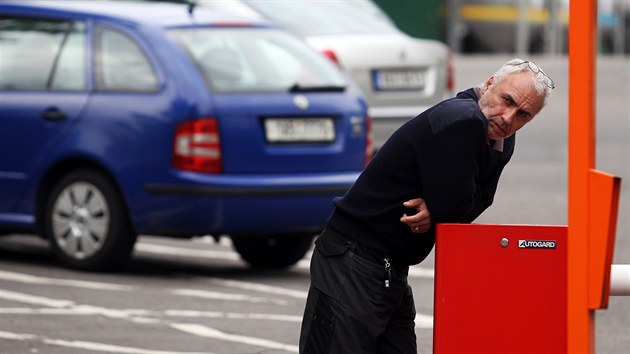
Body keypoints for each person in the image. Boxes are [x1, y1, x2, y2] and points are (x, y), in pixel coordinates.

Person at [298, 58, 555, 353]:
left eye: (523, 114)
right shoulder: (465, 119)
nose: (508, 118)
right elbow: (457, 205)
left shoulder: (500, 140)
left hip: (387, 269)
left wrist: (436, 210)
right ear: (488, 86)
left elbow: (476, 203)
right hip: (354, 261)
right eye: (506, 100)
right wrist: (442, 207)